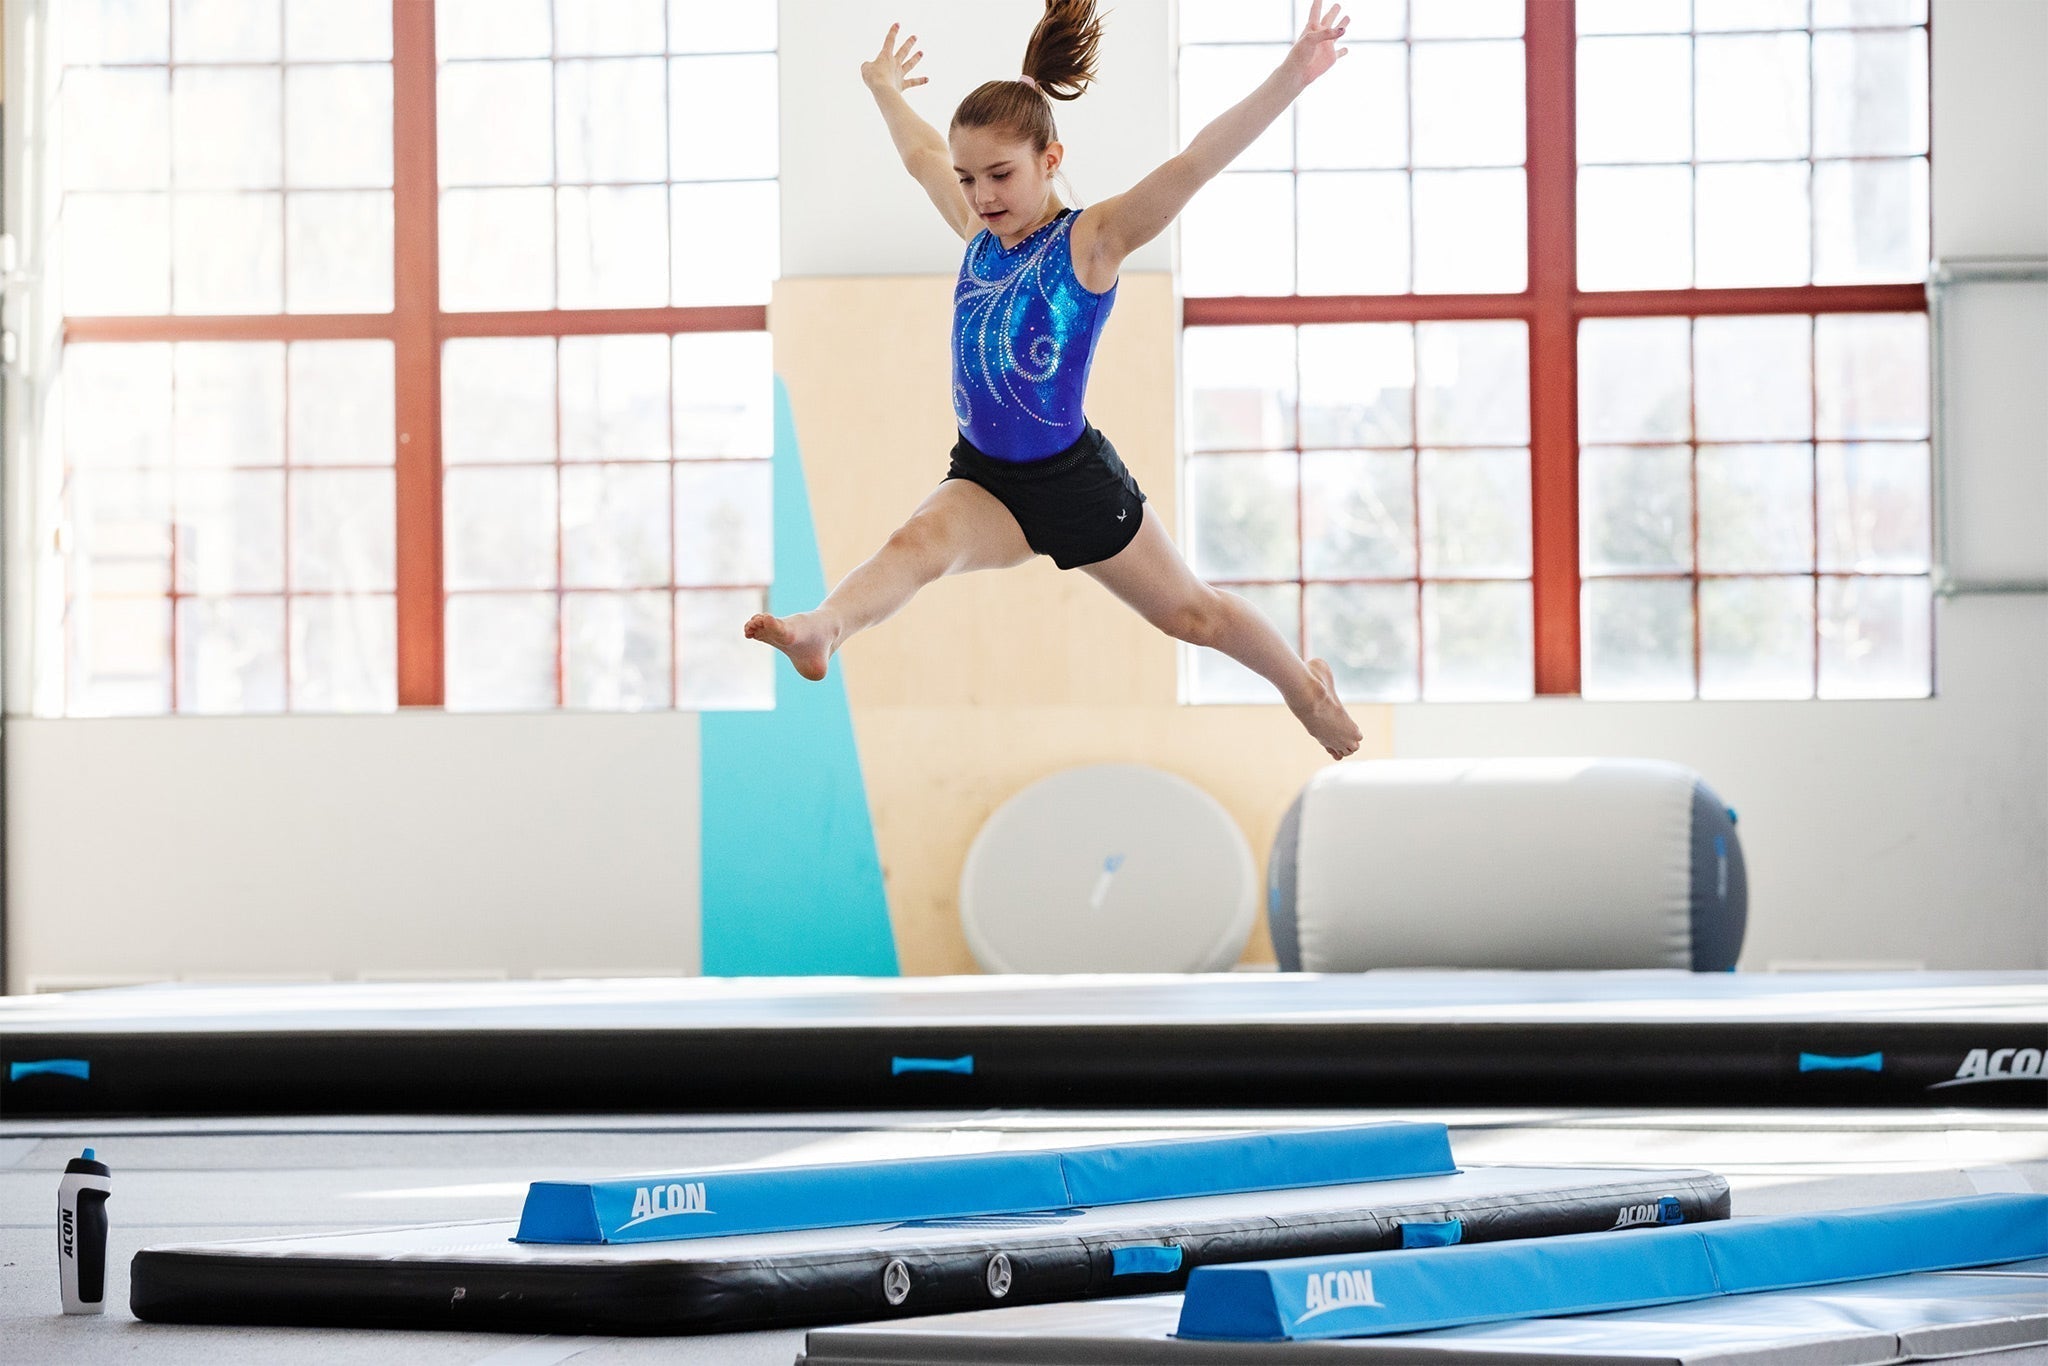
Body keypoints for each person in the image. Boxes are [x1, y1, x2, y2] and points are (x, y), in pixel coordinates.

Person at [745, 0, 1362, 759]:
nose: (982, 196)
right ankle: (823, 627)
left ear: (1050, 158)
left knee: (1192, 617)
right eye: (970, 178)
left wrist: (1293, 73)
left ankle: (1306, 692)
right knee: (914, 545)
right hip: (985, 478)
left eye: (1000, 175)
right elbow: (917, 157)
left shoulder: (1093, 241)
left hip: (1074, 482)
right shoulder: (977, 235)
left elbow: (1195, 162)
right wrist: (883, 88)